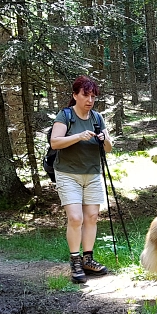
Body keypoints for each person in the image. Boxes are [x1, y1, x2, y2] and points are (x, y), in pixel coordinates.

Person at [49, 75, 114, 283]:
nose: (90, 100)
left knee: (92, 216)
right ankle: (75, 260)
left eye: (93, 96)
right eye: (86, 95)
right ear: (75, 95)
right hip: (68, 173)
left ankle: (88, 259)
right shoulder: (66, 115)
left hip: (93, 173)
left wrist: (105, 140)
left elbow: (109, 148)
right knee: (76, 218)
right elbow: (55, 143)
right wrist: (78, 136)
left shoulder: (97, 118)